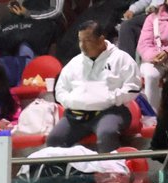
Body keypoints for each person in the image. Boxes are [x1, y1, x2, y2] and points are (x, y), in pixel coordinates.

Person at [46, 23, 141, 154]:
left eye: (87, 40)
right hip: (76, 114)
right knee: (54, 140)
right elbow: (60, 90)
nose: (82, 45)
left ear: (101, 40)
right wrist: (73, 101)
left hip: (110, 111)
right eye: (80, 41)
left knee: (107, 133)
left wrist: (110, 98)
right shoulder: (74, 62)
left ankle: (111, 167)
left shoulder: (121, 58)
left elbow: (133, 87)